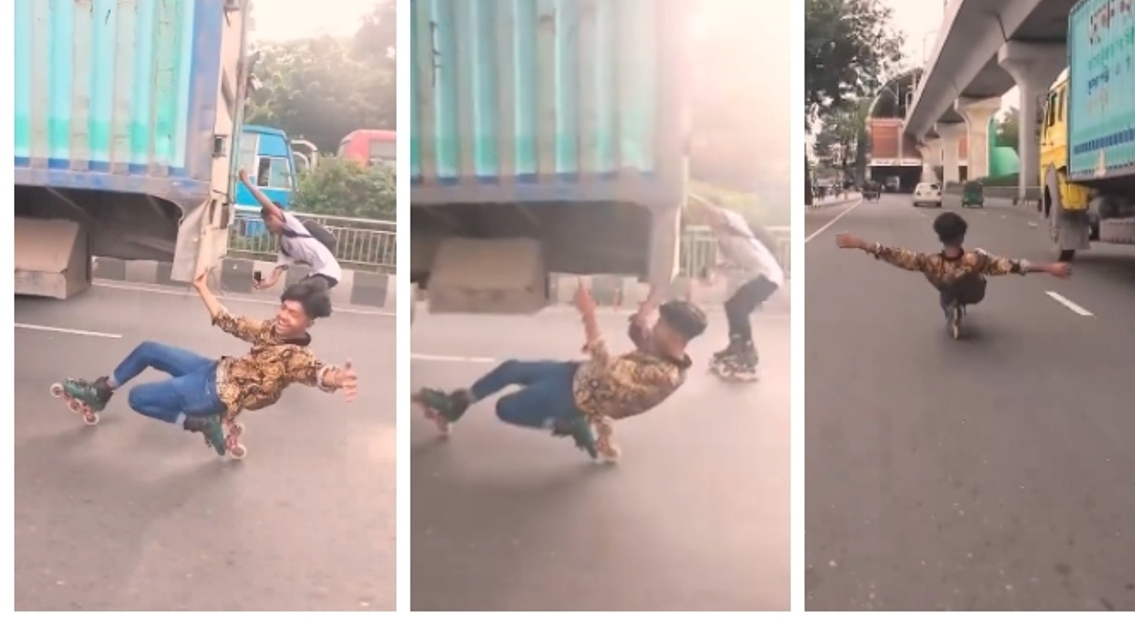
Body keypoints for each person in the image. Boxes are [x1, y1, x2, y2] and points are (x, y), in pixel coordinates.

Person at [57, 269, 358, 455]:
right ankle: (101, 393)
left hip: (214, 395)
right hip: (213, 370)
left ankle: (200, 422)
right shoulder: (271, 330)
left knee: (138, 398)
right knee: (149, 349)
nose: (283, 315)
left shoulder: (297, 357)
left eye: (293, 314)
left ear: (309, 322)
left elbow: (317, 372)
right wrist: (202, 287)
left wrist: (337, 378)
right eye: (283, 308)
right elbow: (231, 322)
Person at [412, 284, 708, 461]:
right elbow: (641, 335)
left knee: (506, 409)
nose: (654, 328)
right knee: (510, 368)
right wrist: (646, 310)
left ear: (676, 336)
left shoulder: (665, 375)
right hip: (575, 373)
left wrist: (588, 314)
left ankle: (570, 423)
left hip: (577, 398)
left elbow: (606, 364)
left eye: (661, 324)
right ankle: (454, 407)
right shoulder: (662, 348)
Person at [834, 211, 1073, 338]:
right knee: (981, 268)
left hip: (945, 287)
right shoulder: (976, 258)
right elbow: (1013, 265)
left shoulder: (930, 261)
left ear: (940, 237)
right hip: (974, 292)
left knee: (938, 278)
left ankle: (950, 307)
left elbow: (893, 254)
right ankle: (955, 304)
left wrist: (860, 243)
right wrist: (1050, 268)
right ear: (962, 236)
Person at [688, 194, 785, 377]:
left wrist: (691, 195)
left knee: (739, 308)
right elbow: (719, 271)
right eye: (706, 219)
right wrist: (706, 280)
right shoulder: (722, 241)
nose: (708, 221)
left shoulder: (735, 223)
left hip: (769, 275)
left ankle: (747, 351)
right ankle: (735, 345)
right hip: (758, 276)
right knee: (731, 305)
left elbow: (713, 209)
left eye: (709, 217)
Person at [238, 170, 343, 292]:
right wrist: (263, 283)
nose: (267, 224)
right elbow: (274, 277)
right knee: (290, 294)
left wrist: (248, 183)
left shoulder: (291, 224)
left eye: (270, 219)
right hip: (319, 273)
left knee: (298, 295)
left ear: (279, 215)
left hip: (329, 272)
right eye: (265, 221)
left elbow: (266, 203)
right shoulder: (285, 247)